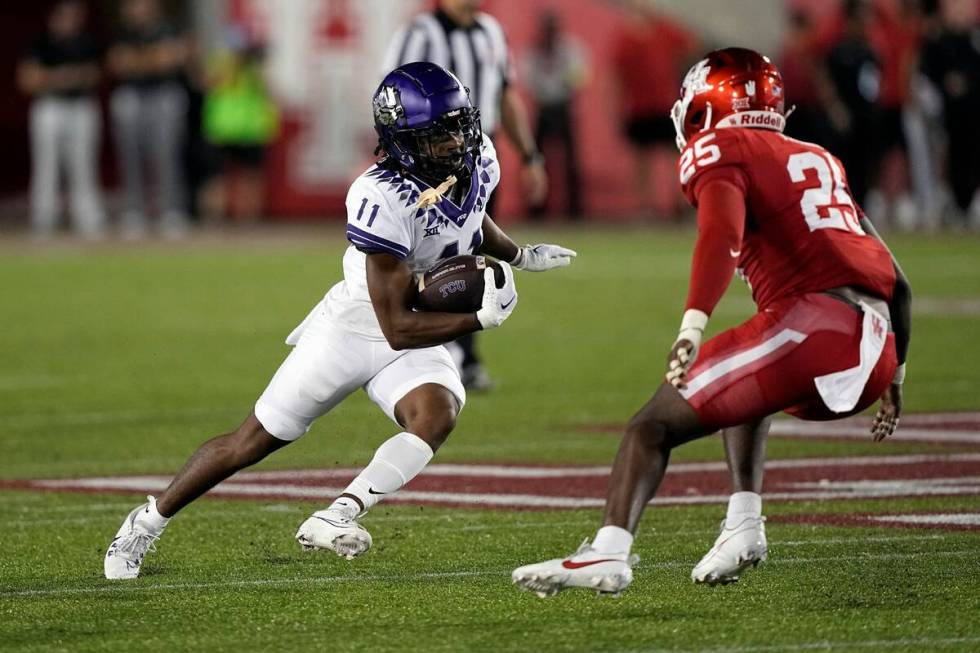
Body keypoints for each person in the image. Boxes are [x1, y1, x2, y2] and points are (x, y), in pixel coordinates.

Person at [103, 62, 576, 580]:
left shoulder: (479, 156)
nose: (455, 140)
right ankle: (145, 524)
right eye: (437, 133)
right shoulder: (380, 195)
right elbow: (395, 326)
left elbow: (470, 217)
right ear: (401, 139)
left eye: (459, 124)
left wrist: (522, 255)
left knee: (437, 413)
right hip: (355, 327)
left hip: (412, 320)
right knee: (252, 441)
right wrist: (477, 321)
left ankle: (338, 514)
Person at [512, 48, 911, 597]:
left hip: (818, 331)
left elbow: (720, 236)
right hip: (875, 340)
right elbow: (898, 280)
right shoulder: (819, 156)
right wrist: (895, 373)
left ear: (706, 107)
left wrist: (691, 325)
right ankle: (744, 525)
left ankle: (607, 551)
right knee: (748, 377)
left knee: (650, 425)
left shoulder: (722, 146)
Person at [381, 0, 548, 391]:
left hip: (478, 158)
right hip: (429, 163)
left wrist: (529, 154)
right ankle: (412, 350)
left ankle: (464, 357)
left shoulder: (491, 30)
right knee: (424, 256)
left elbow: (505, 94)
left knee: (470, 254)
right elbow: (390, 101)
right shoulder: (419, 34)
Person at [17, 0, 105, 239]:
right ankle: (43, 218)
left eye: (74, 16)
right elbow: (27, 79)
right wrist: (61, 77)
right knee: (46, 164)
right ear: (54, 18)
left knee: (83, 164)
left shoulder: (86, 42)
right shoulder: (41, 43)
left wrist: (57, 77)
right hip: (49, 107)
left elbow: (95, 74)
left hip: (81, 106)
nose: (70, 21)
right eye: (65, 16)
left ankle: (88, 218)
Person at [106, 0, 190, 238]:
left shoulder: (168, 28)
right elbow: (116, 63)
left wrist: (137, 61)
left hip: (163, 94)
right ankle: (134, 212)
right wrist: (151, 60)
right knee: (130, 157)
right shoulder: (122, 33)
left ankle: (170, 211)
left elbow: (169, 60)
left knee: (166, 156)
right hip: (132, 95)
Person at [610, 0, 698, 216]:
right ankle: (645, 206)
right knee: (642, 160)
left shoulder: (665, 30)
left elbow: (691, 47)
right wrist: (616, 107)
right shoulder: (625, 38)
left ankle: (679, 204)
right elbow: (617, 77)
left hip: (665, 104)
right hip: (639, 106)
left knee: (675, 154)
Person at [199, 29, 279, 223]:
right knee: (217, 177)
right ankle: (214, 219)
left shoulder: (254, 70)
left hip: (250, 130)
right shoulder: (221, 65)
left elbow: (268, 92)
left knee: (250, 178)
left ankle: (248, 221)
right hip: (223, 128)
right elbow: (207, 83)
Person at [523, 11, 589, 219]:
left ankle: (574, 209)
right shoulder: (534, 49)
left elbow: (581, 75)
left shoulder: (569, 48)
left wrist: (569, 82)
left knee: (571, 162)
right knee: (537, 160)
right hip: (544, 108)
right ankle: (536, 208)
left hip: (563, 107)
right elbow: (528, 78)